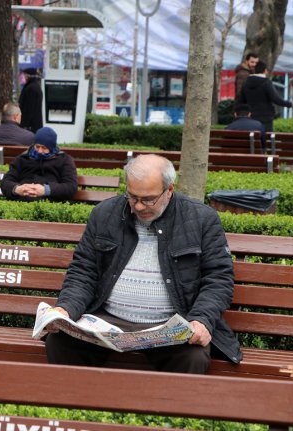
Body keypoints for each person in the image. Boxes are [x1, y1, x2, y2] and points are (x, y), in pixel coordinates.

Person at [44, 154, 242, 374]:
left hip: (171, 324)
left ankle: (169, 409)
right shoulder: (105, 213)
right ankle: (77, 407)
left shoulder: (201, 218)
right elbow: (84, 271)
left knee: (192, 357)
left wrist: (201, 320)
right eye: (132, 196)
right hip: (108, 321)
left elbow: (218, 279)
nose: (138, 206)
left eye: (148, 199)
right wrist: (66, 309)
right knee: (60, 343)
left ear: (169, 190)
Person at [0, 127, 77, 202]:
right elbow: (5, 182)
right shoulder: (22, 159)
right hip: (21, 202)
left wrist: (46, 190)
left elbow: (71, 187)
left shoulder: (65, 160)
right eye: (37, 146)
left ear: (52, 147)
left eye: (44, 148)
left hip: (50, 203)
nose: (40, 151)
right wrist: (17, 189)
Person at [239, 61, 292, 137]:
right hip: (266, 117)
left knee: (253, 139)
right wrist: (290, 104)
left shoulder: (246, 83)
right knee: (266, 140)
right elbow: (276, 99)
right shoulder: (266, 82)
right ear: (265, 70)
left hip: (251, 116)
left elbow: (241, 101)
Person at [18, 67, 43, 133]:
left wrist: (24, 124)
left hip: (30, 126)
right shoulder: (35, 86)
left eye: (25, 75)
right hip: (34, 124)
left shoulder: (31, 88)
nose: (24, 77)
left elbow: (29, 108)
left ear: (28, 75)